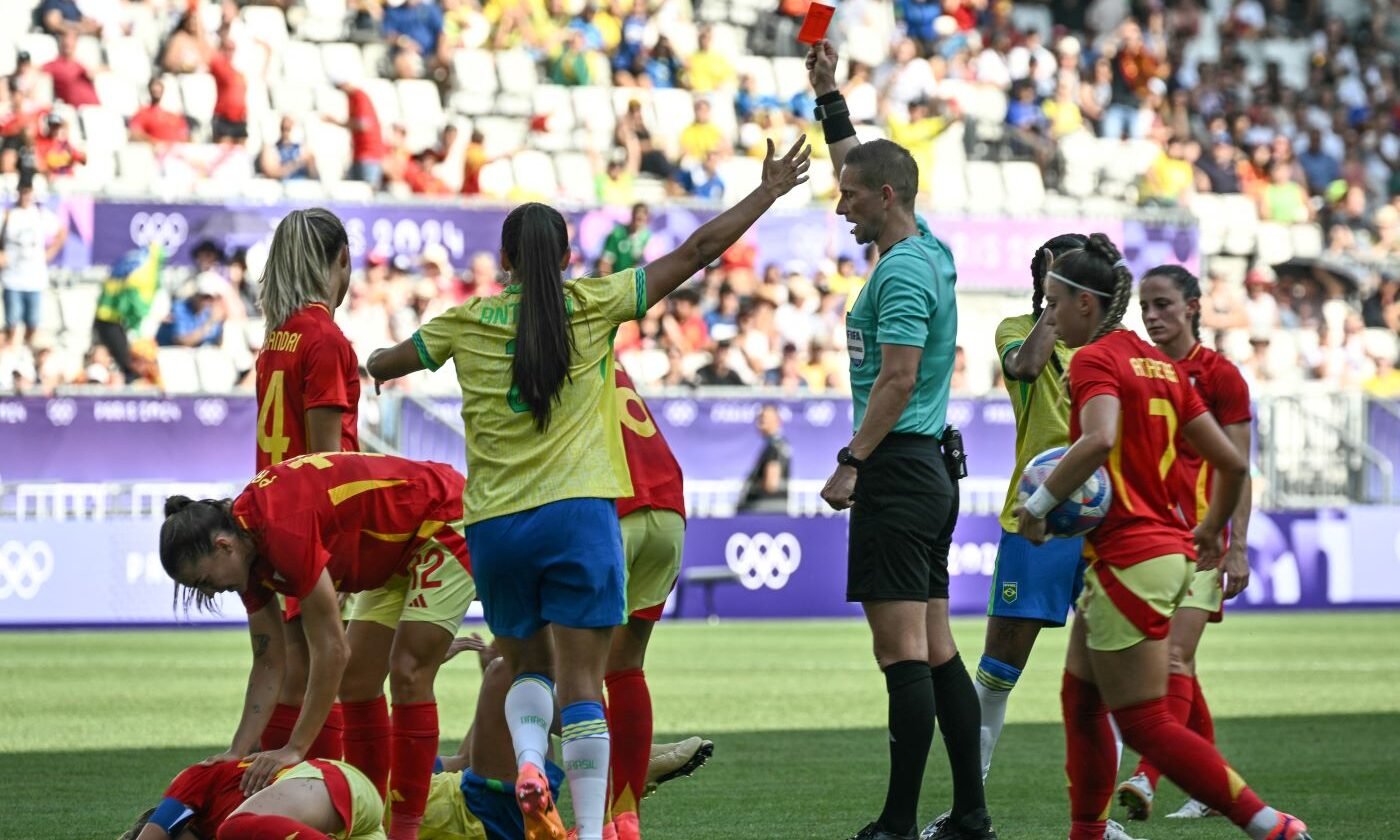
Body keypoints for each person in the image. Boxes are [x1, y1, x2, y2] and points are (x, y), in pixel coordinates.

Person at [365, 137, 810, 840]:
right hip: (579, 519)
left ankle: (531, 761)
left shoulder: (460, 322)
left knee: (523, 669)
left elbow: (389, 363)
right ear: (568, 258)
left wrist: (374, 358)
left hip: (495, 527)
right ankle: (597, 828)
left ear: (505, 261)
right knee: (583, 684)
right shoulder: (595, 304)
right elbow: (696, 251)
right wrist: (767, 192)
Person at [1012, 234, 1310, 840]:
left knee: (1146, 722)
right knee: (1082, 699)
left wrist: (1039, 505)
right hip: (1163, 552)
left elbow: (1096, 440)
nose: (1050, 314)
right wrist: (1207, 529)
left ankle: (1268, 825)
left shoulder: (1096, 360)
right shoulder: (1163, 366)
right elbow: (1230, 463)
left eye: (1054, 303)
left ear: (1086, 306)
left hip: (1129, 556)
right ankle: (1087, 833)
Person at [806, 39, 993, 840]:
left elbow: (898, 379)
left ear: (885, 198)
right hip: (929, 469)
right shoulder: (922, 248)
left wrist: (853, 461)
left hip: (899, 466)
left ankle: (898, 821)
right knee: (938, 646)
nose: (839, 206)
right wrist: (829, 99)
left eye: (849, 198)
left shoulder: (903, 274)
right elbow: (865, 160)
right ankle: (971, 815)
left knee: (900, 655)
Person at [158, 452, 475, 840]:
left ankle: (403, 833)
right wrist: (237, 751)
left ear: (223, 546)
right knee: (358, 683)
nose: (211, 592)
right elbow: (269, 660)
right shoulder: (246, 549)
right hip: (396, 552)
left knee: (408, 670)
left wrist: (295, 748)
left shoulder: (279, 530)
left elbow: (333, 649)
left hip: (440, 520)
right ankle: (370, 823)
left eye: (205, 581)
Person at [1118, 264, 1254, 822]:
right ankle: (1211, 785)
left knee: (1172, 657)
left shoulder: (1221, 377)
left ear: (1194, 306)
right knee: (1181, 668)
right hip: (1142, 541)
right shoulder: (1134, 370)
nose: (1152, 317)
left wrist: (1236, 544)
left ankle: (1146, 778)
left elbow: (1239, 467)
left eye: (1164, 305)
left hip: (1200, 539)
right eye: (1145, 307)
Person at [253, 209, 360, 782]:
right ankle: (334, 798)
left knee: (298, 674)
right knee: (331, 671)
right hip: (312, 525)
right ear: (341, 259)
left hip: (274, 518)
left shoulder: (278, 338)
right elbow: (328, 466)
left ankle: (254, 794)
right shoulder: (325, 338)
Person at [606, 365, 688, 840]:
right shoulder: (606, 345)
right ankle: (627, 815)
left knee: (565, 671)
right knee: (625, 666)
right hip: (669, 508)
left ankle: (596, 820)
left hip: (614, 508)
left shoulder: (545, 343)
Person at [119, 757, 386, 840]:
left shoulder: (191, 783)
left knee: (233, 829)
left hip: (327, 781)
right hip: (352, 823)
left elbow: (152, 836)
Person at [1, 177, 66, 348]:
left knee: (33, 323)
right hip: (13, 278)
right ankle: (12, 351)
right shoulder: (9, 214)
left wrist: (50, 252)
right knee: (12, 323)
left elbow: (62, 230)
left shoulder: (40, 214)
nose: (25, 196)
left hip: (34, 279)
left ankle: (27, 352)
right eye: (23, 192)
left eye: (28, 192)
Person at [93, 245, 164, 384]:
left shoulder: (131, 261)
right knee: (128, 361)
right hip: (114, 319)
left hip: (108, 316)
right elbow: (134, 306)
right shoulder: (142, 272)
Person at [737, 404, 791, 514]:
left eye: (764, 418)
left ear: (777, 421)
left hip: (764, 511)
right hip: (773, 510)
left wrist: (752, 486)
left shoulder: (775, 446)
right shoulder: (780, 444)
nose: (759, 422)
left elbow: (771, 484)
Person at [598, 203, 652, 275]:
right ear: (632, 215)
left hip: (636, 281)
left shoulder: (648, 237)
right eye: (637, 213)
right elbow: (605, 263)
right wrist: (609, 283)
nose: (639, 216)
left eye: (644, 214)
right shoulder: (618, 234)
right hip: (617, 279)